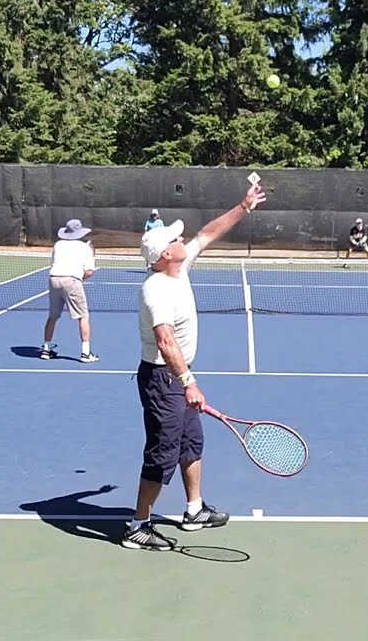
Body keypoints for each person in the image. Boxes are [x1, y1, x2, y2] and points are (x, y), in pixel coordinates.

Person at [121, 182, 267, 551]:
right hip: (163, 379)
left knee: (191, 441)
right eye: (175, 238)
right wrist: (188, 382)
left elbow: (207, 233)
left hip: (177, 375)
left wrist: (244, 206)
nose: (182, 238)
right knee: (162, 453)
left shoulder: (179, 268)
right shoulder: (156, 290)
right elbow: (165, 341)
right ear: (164, 253)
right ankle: (137, 525)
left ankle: (194, 510)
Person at [40, 219, 100, 362]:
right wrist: (80, 279)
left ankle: (46, 349)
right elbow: (89, 271)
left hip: (54, 279)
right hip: (72, 281)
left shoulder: (58, 245)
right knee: (83, 316)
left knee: (52, 316)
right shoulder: (85, 248)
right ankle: (85, 353)